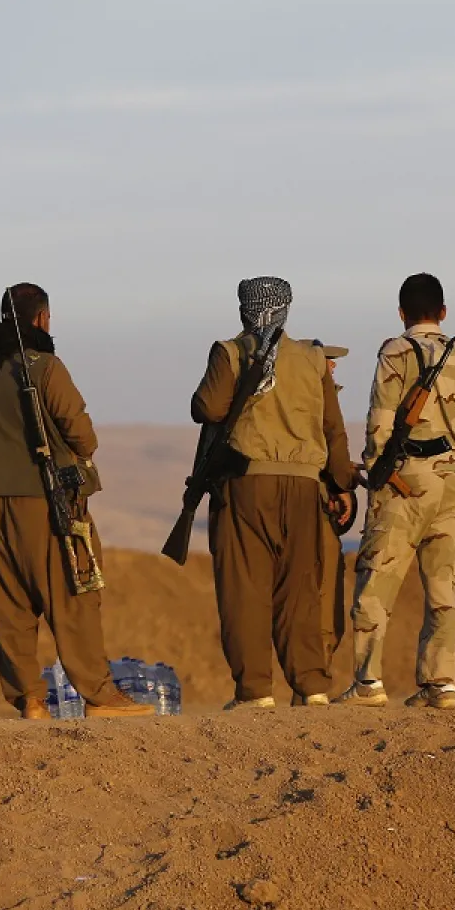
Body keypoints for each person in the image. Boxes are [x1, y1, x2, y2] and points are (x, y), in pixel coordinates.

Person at [0, 283, 153, 719]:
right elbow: (83, 435)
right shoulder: (43, 367)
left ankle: (29, 698)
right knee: (72, 593)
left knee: (9, 603)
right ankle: (99, 696)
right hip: (44, 502)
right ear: (41, 319)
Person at [191, 278, 356, 709]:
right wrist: (340, 483)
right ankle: (311, 686)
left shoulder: (229, 351)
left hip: (248, 483)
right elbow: (333, 428)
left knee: (245, 589)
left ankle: (255, 692)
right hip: (303, 487)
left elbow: (207, 409)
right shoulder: (313, 358)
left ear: (245, 309)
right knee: (300, 589)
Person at [337, 274, 455, 709]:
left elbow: (380, 418)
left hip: (404, 480)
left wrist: (374, 466)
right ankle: (440, 684)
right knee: (443, 586)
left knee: (376, 582)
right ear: (443, 312)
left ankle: (368, 682)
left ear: (401, 312)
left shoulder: (395, 351)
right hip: (449, 479)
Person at [314, 342, 356, 663]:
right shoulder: (319, 400)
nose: (334, 368)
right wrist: (344, 485)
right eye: (329, 362)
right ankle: (315, 682)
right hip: (316, 509)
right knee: (325, 597)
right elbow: (334, 450)